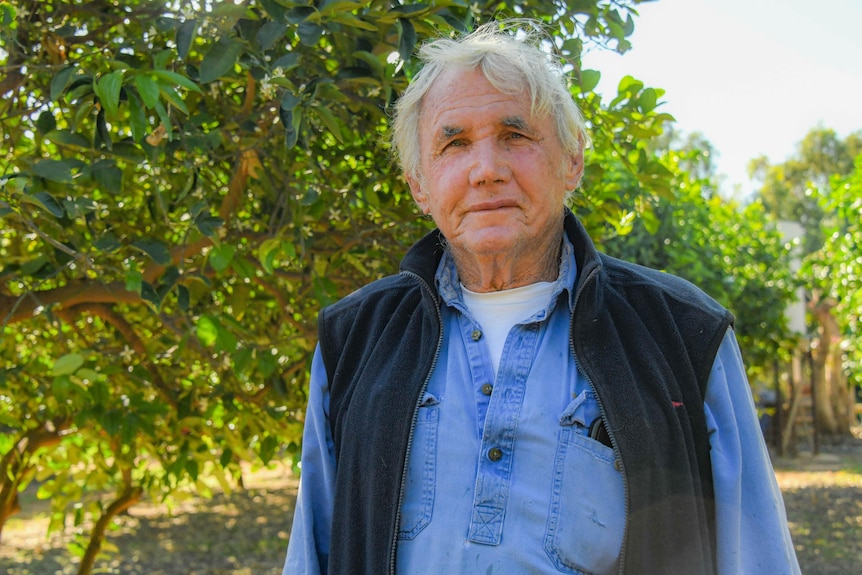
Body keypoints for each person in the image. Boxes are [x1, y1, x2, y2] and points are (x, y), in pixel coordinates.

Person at [283, 20, 800, 575]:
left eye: (516, 136)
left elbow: (756, 555)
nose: (486, 170)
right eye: (454, 143)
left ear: (571, 160)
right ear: (419, 184)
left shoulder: (682, 331)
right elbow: (314, 549)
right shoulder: (355, 337)